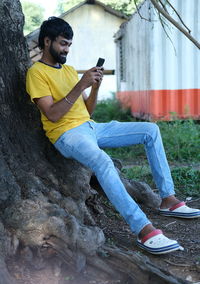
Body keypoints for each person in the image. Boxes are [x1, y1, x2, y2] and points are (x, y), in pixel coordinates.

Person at [26, 17, 200, 255]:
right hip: (66, 134)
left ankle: (167, 198)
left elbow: (87, 111)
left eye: (69, 45)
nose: (67, 50)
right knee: (103, 161)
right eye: (63, 44)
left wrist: (94, 87)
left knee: (150, 130)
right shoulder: (36, 73)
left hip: (90, 126)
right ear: (47, 42)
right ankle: (144, 229)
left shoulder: (66, 70)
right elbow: (53, 115)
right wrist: (80, 85)